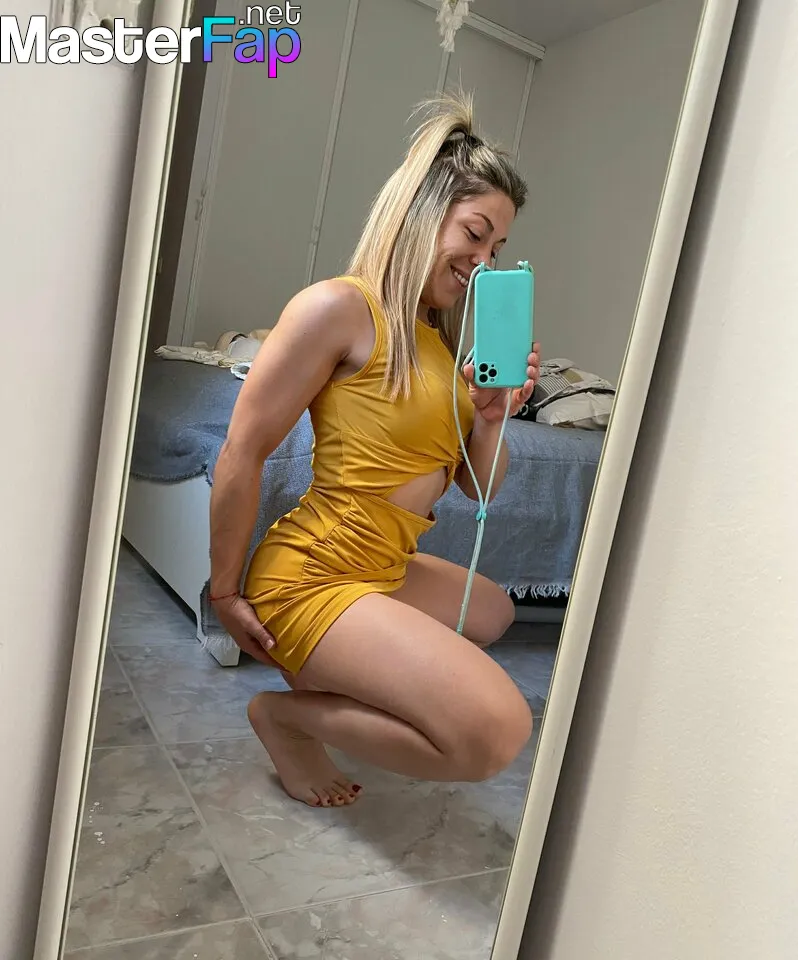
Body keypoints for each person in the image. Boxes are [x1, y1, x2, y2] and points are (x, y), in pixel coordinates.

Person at [208, 91, 540, 809]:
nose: (484, 263)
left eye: (497, 251)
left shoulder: (440, 345)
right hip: (312, 572)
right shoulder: (338, 308)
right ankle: (287, 717)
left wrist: (490, 418)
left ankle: (340, 671)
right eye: (475, 234)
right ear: (422, 211)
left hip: (380, 564)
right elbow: (242, 449)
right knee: (495, 733)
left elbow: (481, 490)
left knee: (492, 612)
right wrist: (226, 591)